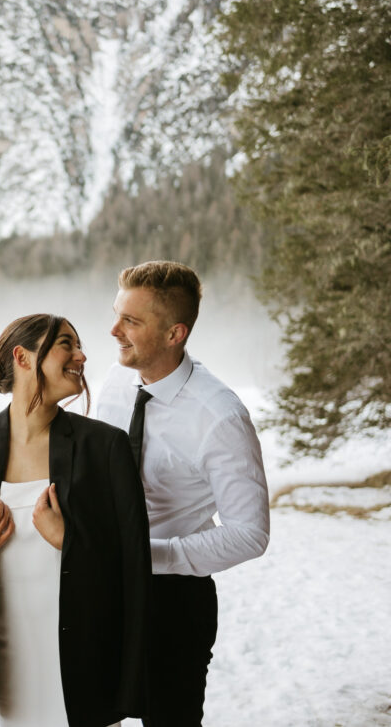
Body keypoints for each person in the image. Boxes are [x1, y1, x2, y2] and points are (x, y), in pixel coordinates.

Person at [0, 314, 151, 727]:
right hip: (10, 665)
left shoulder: (106, 448)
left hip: (88, 668)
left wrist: (70, 541)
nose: (82, 356)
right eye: (66, 343)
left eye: (79, 346)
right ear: (23, 357)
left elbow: (134, 569)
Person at [96, 260, 270, 727]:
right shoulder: (115, 381)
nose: (114, 330)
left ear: (175, 333)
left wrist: (145, 555)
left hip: (171, 605)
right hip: (97, 591)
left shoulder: (221, 417)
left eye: (131, 321)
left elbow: (250, 534)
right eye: (117, 314)